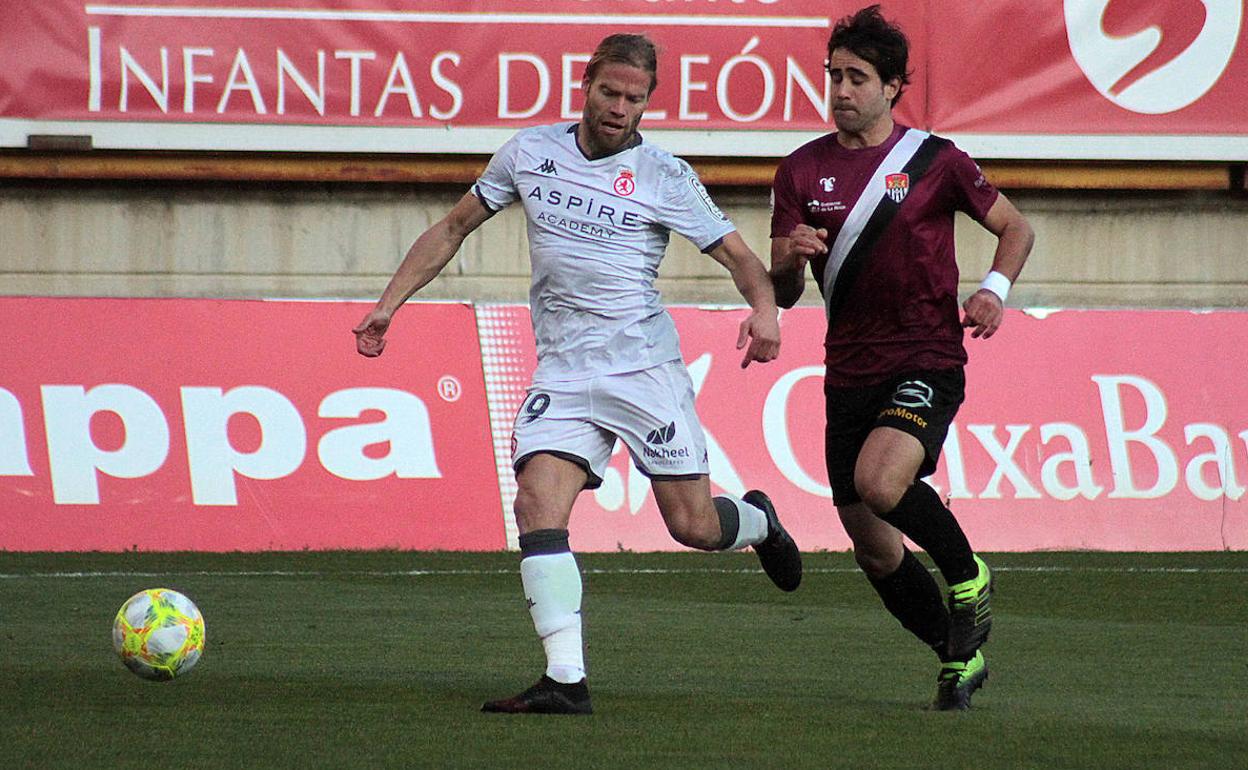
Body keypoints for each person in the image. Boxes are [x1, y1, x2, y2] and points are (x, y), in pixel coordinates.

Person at [354, 32, 802, 716]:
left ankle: (759, 525)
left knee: (693, 527)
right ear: (585, 86)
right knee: (536, 504)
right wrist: (389, 306)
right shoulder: (531, 153)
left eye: (634, 98)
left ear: (649, 102)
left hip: (643, 368)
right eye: (609, 93)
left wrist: (765, 312)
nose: (620, 107)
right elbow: (452, 228)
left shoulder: (664, 175)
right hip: (563, 369)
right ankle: (565, 679)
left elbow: (741, 259)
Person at [768, 5, 1034, 711]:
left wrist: (992, 290)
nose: (841, 90)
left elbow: (1014, 226)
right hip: (846, 370)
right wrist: (789, 262)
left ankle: (969, 572)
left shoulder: (934, 161)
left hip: (925, 356)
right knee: (876, 550)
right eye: (834, 76)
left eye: (857, 77)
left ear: (892, 87)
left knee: (882, 482)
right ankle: (960, 657)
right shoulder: (799, 171)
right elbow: (785, 293)